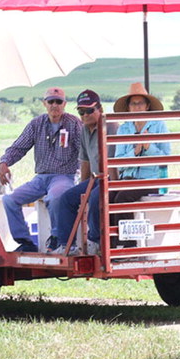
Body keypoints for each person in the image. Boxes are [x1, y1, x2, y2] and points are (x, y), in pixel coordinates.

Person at [0, 87, 82, 252]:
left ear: (65, 104)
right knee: (9, 200)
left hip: (64, 176)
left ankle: (57, 237)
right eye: (51, 101)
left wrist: (83, 174)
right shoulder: (36, 124)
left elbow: (84, 152)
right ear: (45, 103)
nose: (54, 105)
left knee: (56, 197)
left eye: (58, 102)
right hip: (41, 178)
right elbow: (19, 147)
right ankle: (25, 242)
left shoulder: (74, 124)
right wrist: (4, 162)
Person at [52, 89, 117, 255]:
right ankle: (67, 245)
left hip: (111, 178)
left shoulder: (112, 127)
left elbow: (114, 164)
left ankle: (96, 241)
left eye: (89, 110)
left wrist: (111, 185)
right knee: (67, 198)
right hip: (96, 178)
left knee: (96, 197)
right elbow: (86, 162)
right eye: (81, 112)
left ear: (100, 110)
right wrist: (82, 188)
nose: (85, 115)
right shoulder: (84, 131)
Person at [111, 82, 171, 248]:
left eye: (140, 103)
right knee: (106, 196)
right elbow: (118, 161)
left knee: (122, 198)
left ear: (147, 106)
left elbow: (166, 157)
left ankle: (128, 246)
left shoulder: (159, 126)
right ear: (128, 107)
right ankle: (111, 243)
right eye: (133, 104)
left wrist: (148, 147)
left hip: (152, 179)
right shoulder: (124, 129)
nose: (137, 107)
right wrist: (135, 152)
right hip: (128, 178)